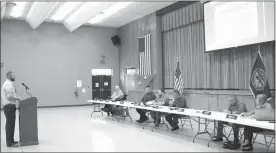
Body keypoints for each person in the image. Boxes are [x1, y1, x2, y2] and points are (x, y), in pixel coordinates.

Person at [1, 71, 21, 147]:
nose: (14, 77)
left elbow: (11, 93)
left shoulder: (9, 84)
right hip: (9, 107)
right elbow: (9, 96)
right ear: (9, 76)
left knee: (11, 125)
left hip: (9, 107)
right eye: (13, 76)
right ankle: (10, 143)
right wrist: (17, 97)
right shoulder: (8, 85)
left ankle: (11, 140)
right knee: (10, 125)